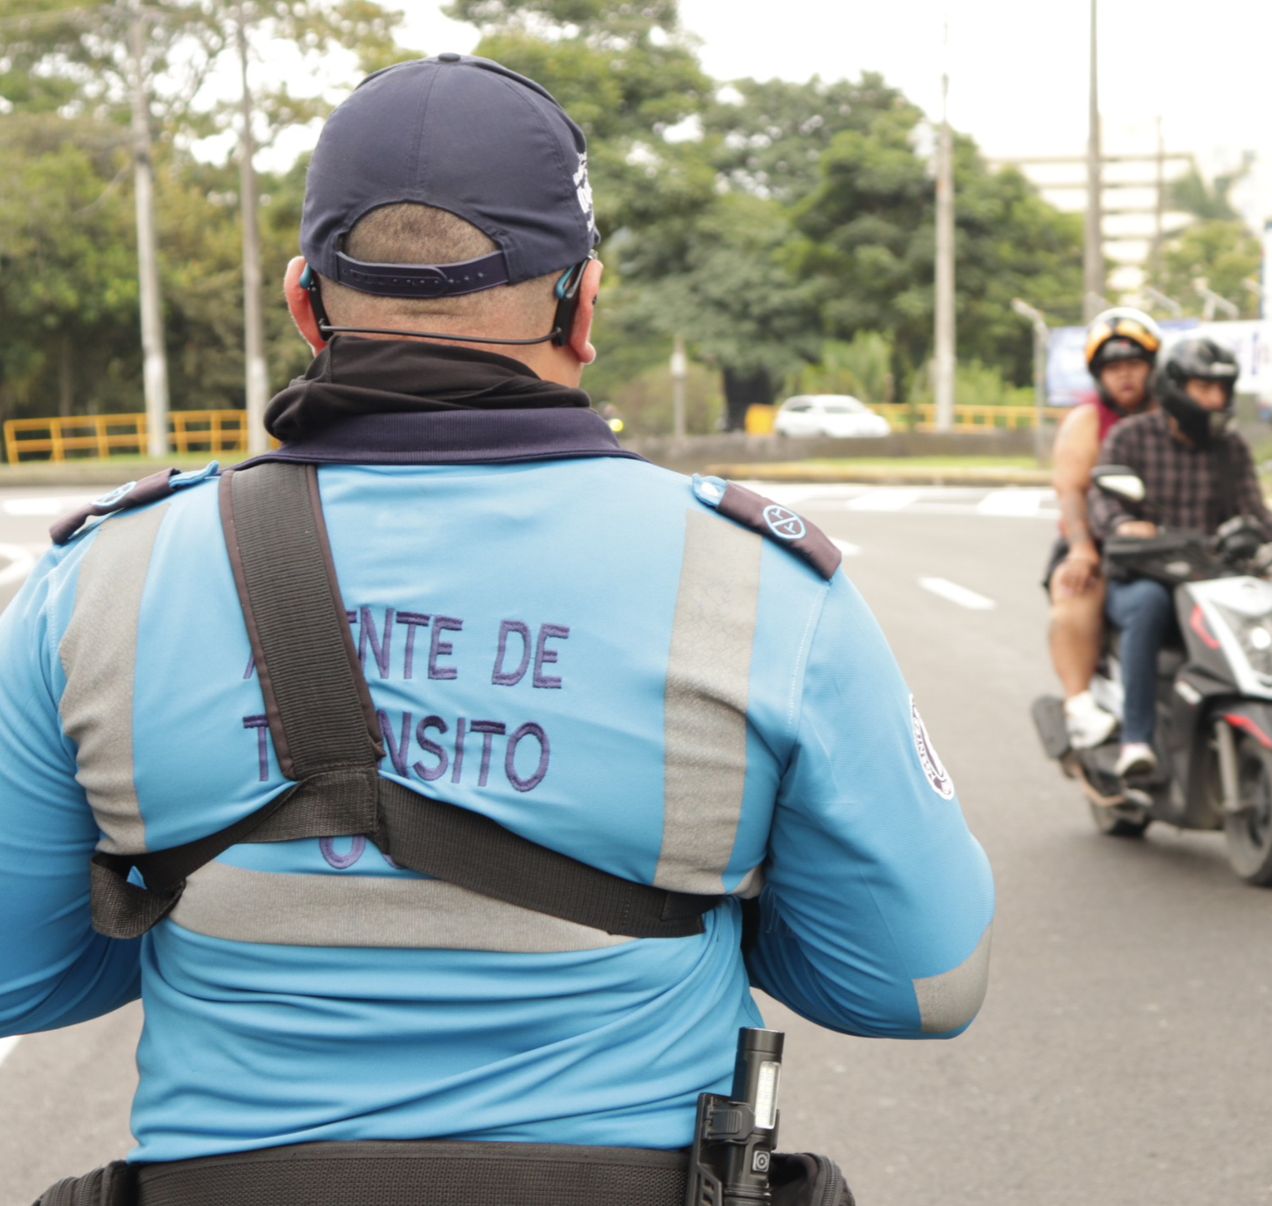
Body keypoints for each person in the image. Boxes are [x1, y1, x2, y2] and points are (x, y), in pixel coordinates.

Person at [1, 54, 994, 1204]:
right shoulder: (756, 581)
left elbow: (20, 975)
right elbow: (922, 985)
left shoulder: (98, 581)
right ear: (583, 303)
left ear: (304, 302)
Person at [1089, 337, 1272, 780]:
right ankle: (1137, 739)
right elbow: (1103, 502)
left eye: (1222, 389)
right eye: (1204, 388)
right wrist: (1125, 526)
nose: (1216, 400)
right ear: (1176, 388)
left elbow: (1255, 512)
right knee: (1149, 606)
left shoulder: (1231, 447)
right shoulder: (1131, 437)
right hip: (1146, 575)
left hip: (1213, 576)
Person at [1043, 307, 1162, 749]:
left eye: (1133, 365)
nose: (1125, 376)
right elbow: (1071, 491)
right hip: (1097, 542)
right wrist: (1082, 549)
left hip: (1165, 541)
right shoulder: (1086, 420)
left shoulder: (1171, 414)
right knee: (1075, 590)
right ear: (1098, 374)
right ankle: (1079, 705)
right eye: (1113, 368)